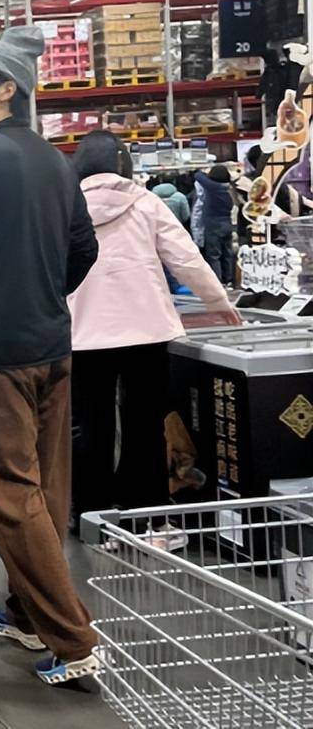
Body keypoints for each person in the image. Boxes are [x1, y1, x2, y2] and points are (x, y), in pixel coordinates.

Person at [0, 26, 100, 687]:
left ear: (7, 89)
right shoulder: (56, 161)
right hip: (51, 345)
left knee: (10, 493)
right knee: (46, 488)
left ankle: (74, 638)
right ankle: (28, 613)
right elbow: (85, 248)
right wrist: (41, 293)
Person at [68, 131, 241, 543]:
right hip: (146, 330)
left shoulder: (64, 208)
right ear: (122, 163)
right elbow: (185, 257)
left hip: (83, 333)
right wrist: (218, 301)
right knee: (145, 424)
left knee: (91, 426)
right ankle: (148, 518)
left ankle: (91, 517)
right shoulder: (145, 202)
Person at [194, 165, 235, 284]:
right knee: (227, 253)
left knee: (214, 255)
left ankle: (217, 281)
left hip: (214, 225)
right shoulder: (229, 188)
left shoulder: (214, 187)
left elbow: (198, 176)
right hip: (227, 223)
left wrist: (203, 171)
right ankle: (229, 280)